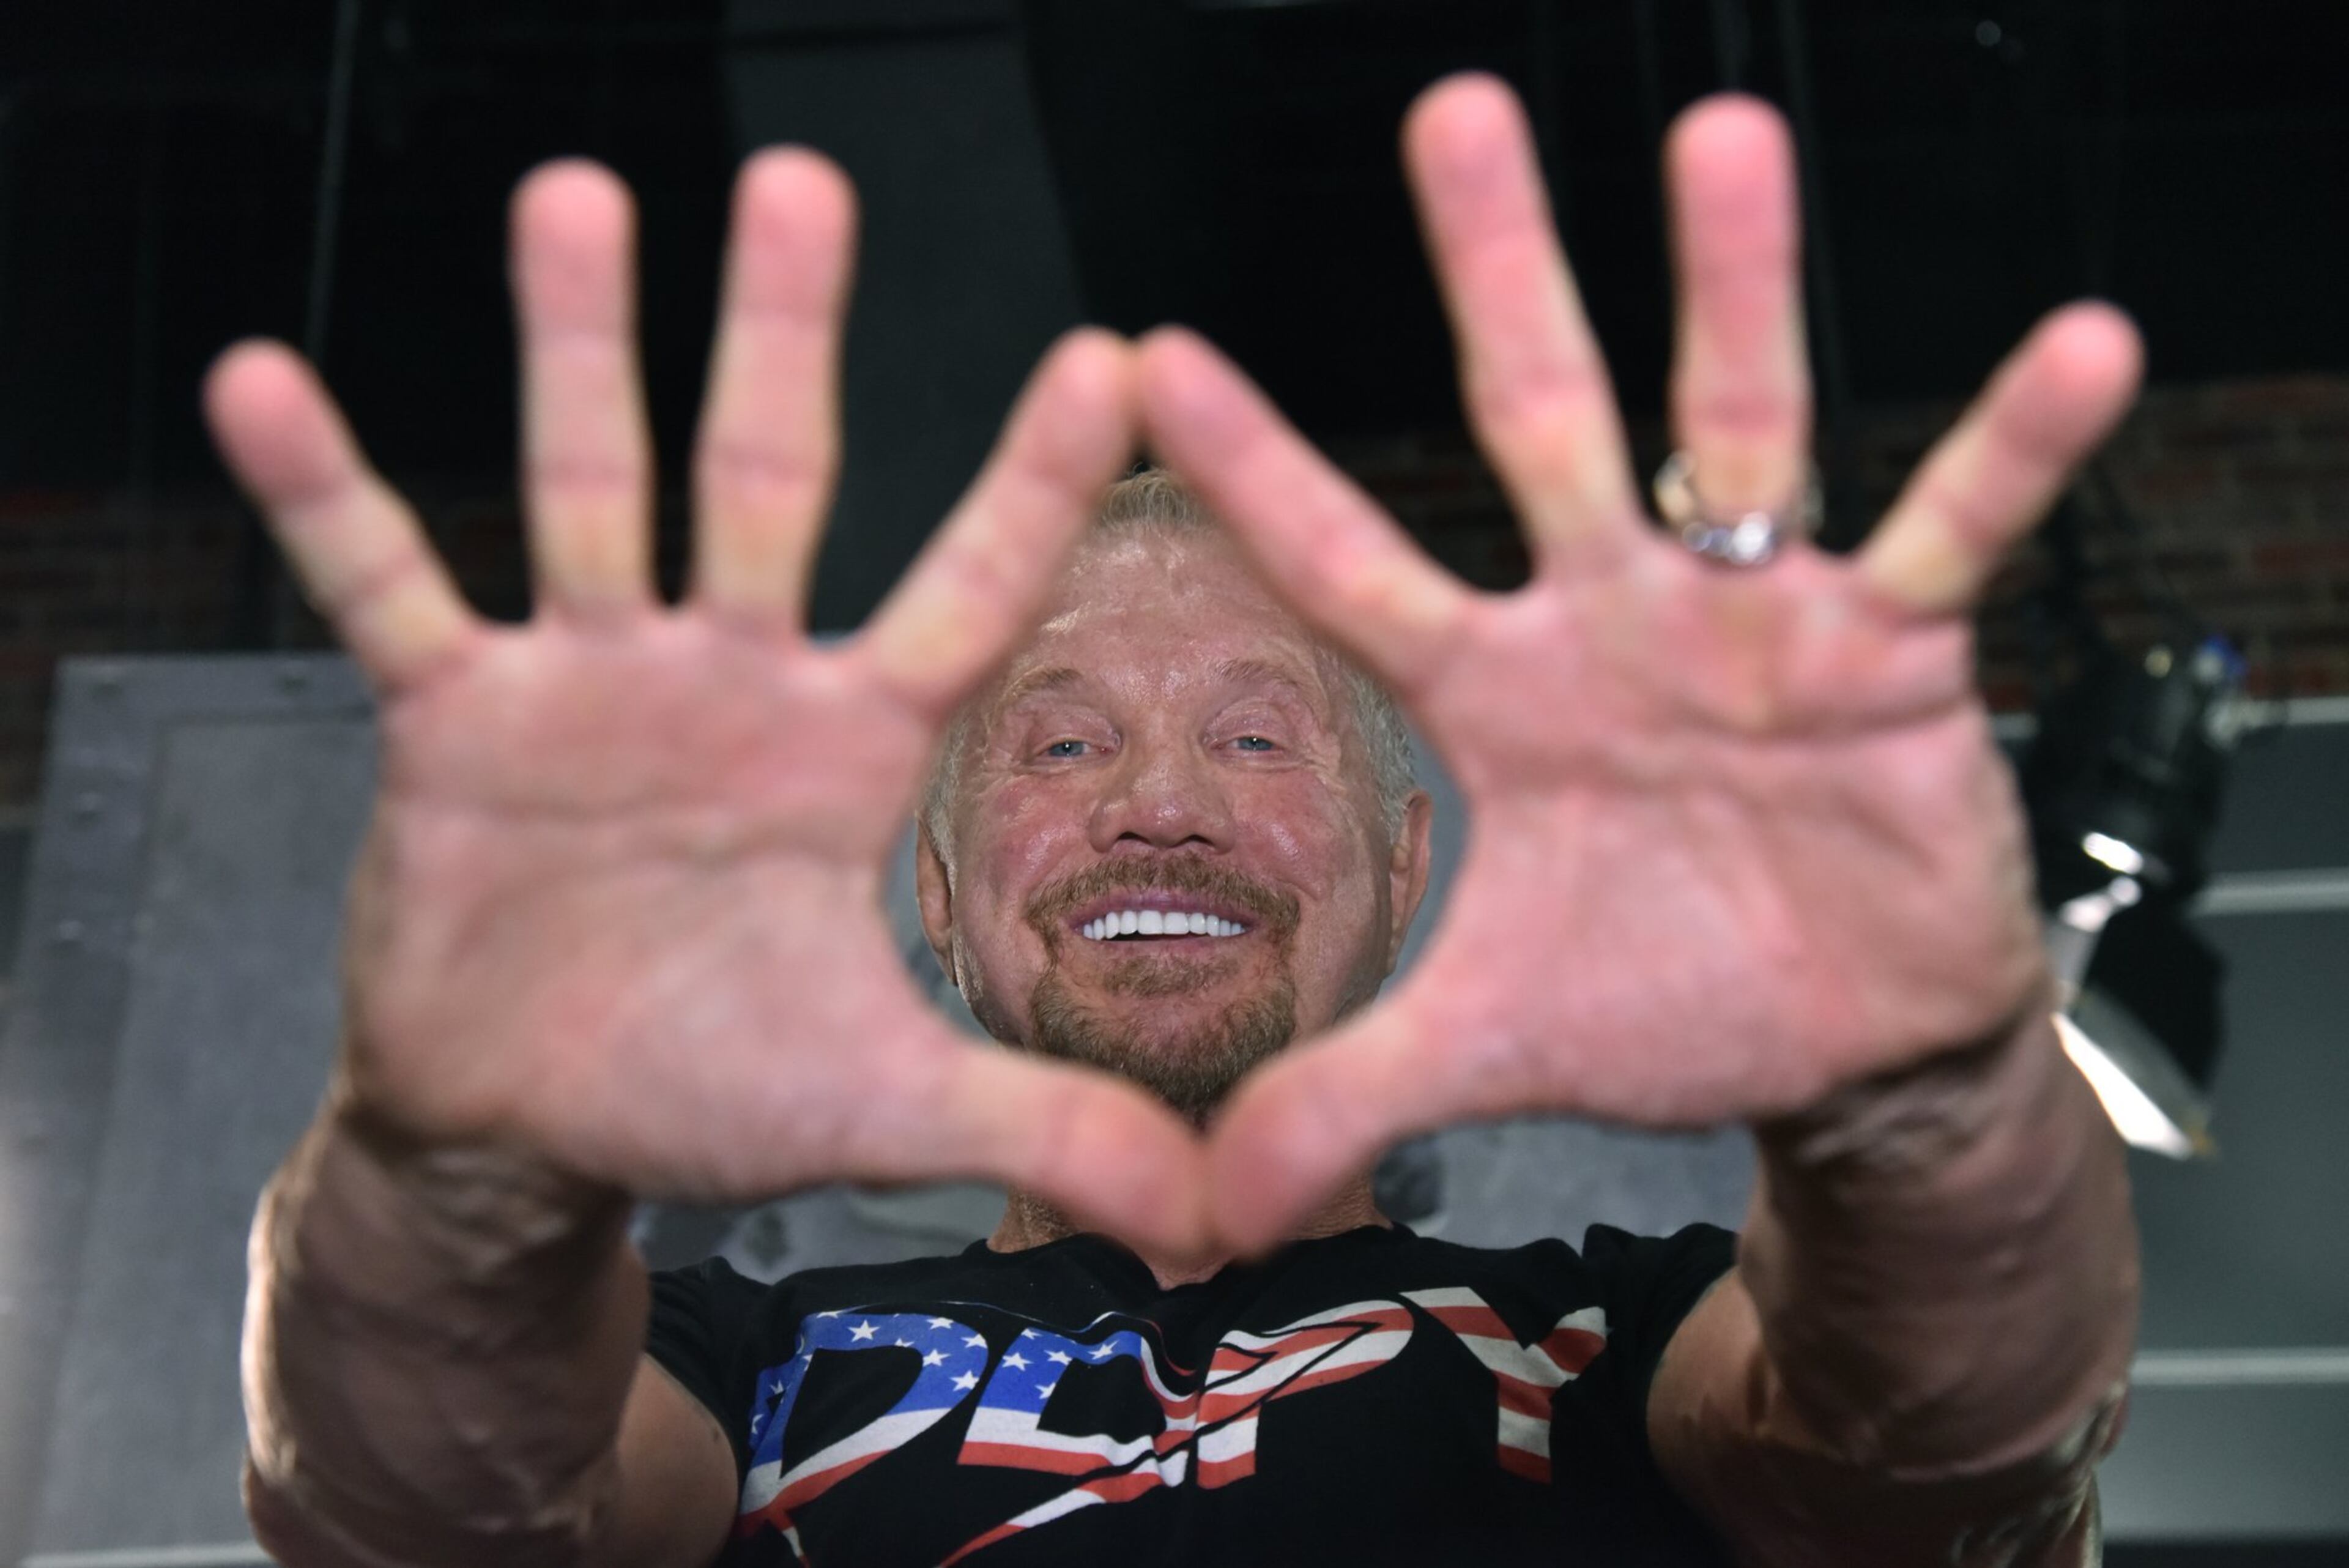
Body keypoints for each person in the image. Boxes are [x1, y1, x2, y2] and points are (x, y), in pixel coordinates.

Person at [213, 75, 2141, 1567]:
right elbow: (418, 1509)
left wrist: (1924, 1090)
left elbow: (1947, 1451)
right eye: (1056, 748)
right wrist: (449, 1152)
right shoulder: (745, 1361)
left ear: (1404, 870)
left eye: (1253, 736)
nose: (1156, 805)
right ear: (945, 896)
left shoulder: (1622, 1348)